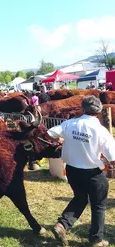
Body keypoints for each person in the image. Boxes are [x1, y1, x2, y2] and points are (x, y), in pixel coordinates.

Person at [48, 95, 115, 247]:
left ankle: (62, 225)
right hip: (93, 174)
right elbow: (113, 157)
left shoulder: (70, 124)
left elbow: (50, 133)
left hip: (72, 170)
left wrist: (60, 141)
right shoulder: (101, 131)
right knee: (98, 205)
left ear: (82, 108)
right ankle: (96, 239)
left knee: (80, 198)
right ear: (98, 112)